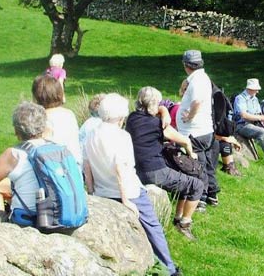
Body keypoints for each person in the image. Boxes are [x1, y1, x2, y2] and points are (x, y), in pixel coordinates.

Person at [83, 93, 181, 276]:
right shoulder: (121, 136)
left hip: (102, 191)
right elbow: (121, 170)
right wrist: (126, 200)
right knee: (153, 227)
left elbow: (87, 166)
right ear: (121, 116)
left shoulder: (90, 135)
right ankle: (169, 268)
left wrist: (92, 192)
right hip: (128, 192)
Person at [126, 86, 204, 241]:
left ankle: (177, 217)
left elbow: (155, 111)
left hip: (136, 169)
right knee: (197, 185)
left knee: (183, 178)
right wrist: (191, 152)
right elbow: (184, 140)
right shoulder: (157, 124)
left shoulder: (132, 118)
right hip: (155, 171)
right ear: (154, 103)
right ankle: (184, 224)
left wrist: (163, 110)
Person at [175, 50, 219, 210]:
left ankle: (201, 197)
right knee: (206, 163)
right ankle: (212, 194)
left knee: (197, 166)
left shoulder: (198, 80)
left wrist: (189, 117)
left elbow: (198, 102)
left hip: (196, 131)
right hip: (203, 129)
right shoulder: (197, 78)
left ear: (186, 65)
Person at [32, 74, 81, 168]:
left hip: (54, 170)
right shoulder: (68, 114)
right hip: (74, 167)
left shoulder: (39, 119)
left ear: (36, 96)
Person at [233, 78, 264, 164]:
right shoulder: (240, 98)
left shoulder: (255, 99)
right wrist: (260, 118)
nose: (257, 92)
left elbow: (259, 113)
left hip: (256, 124)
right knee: (263, 132)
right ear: (250, 89)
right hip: (243, 125)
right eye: (256, 90)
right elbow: (244, 116)